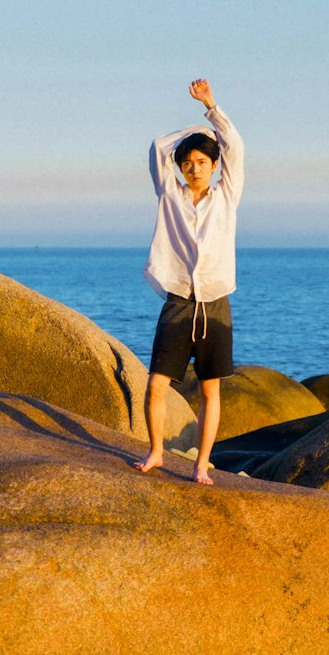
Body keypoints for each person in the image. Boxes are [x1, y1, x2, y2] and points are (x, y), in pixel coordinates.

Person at [135, 78, 244, 485]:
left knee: (210, 391)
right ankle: (157, 452)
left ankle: (201, 465)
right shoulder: (170, 196)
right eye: (189, 163)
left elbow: (235, 145)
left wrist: (211, 110)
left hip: (215, 304)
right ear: (181, 168)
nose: (195, 168)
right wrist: (194, 133)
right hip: (178, 302)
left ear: (214, 167)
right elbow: (156, 148)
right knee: (156, 385)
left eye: (202, 161)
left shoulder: (227, 196)